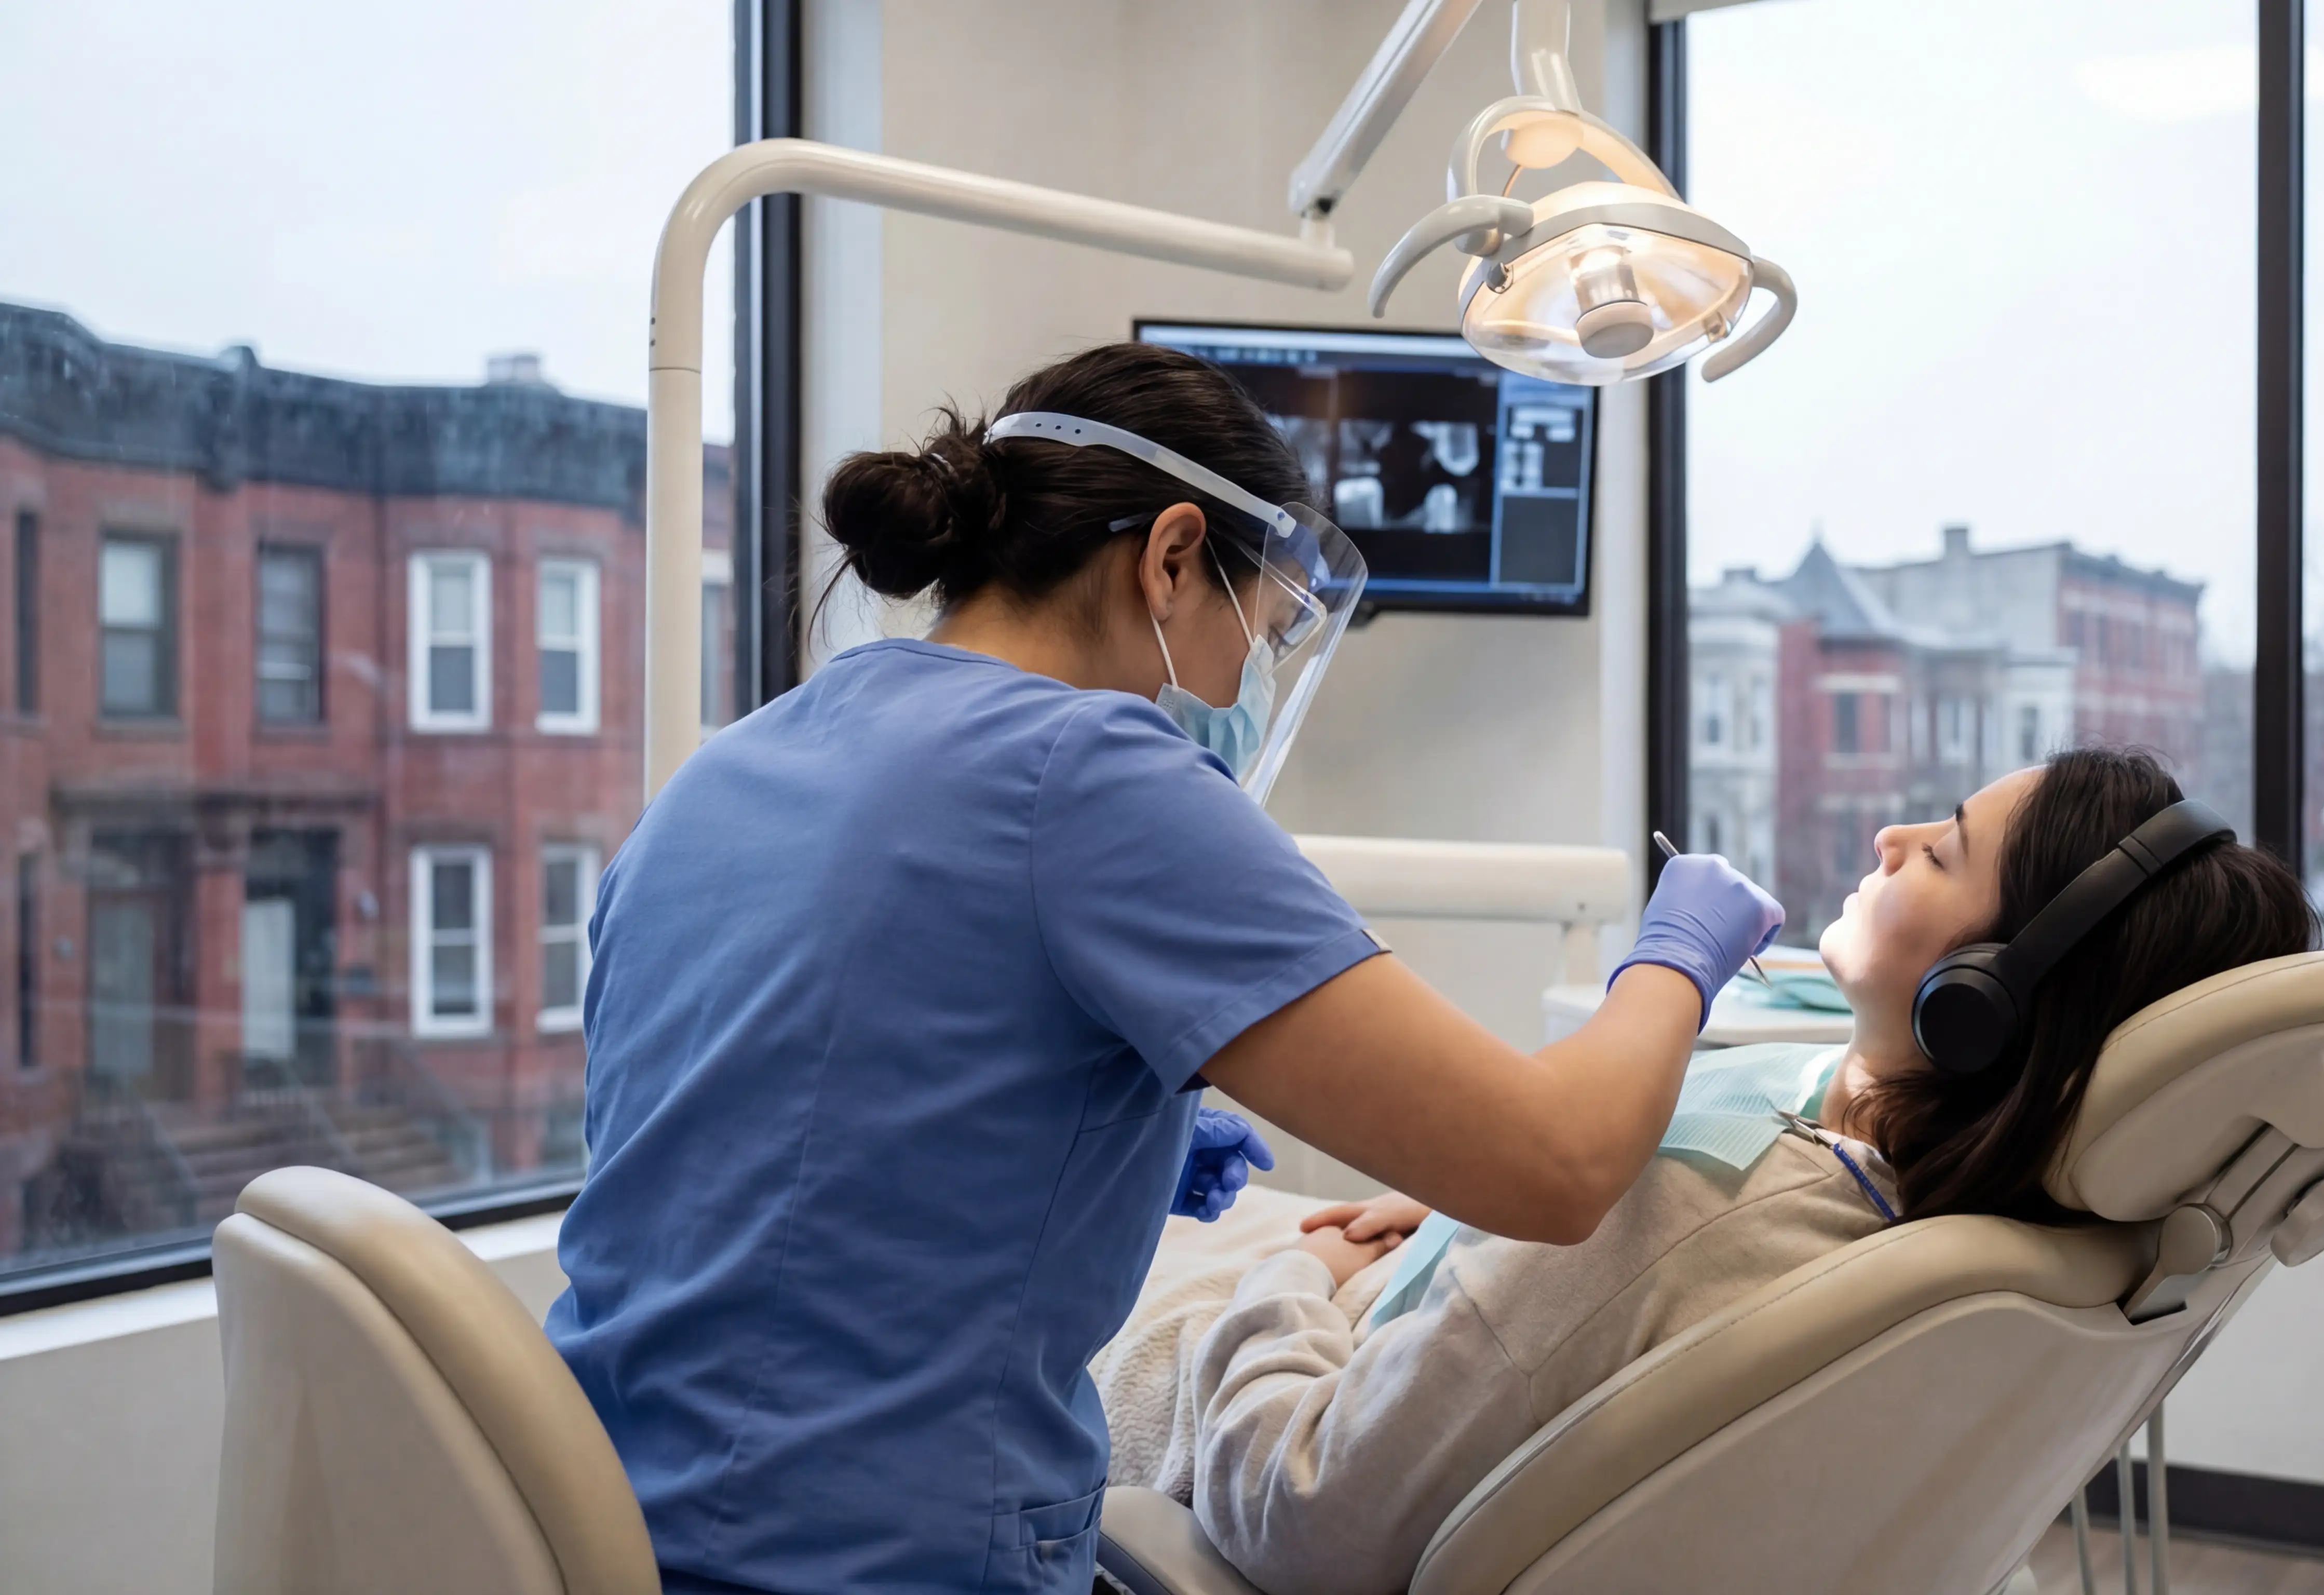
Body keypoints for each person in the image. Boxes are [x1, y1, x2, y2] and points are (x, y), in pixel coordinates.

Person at [544, 342, 1782, 1595]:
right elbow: (1557, 1162)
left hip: (593, 1537)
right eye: (1263, 632)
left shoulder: (727, 769)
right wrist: (1678, 952)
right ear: (1174, 555)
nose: (1245, 685)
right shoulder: (1092, 774)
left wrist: (1076, 1136)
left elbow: (745, 1135)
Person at [1085, 747, 2318, 1595]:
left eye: (1937, 853)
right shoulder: (1956, 1200)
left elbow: (1302, 1517)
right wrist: (1470, 1216)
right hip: (1402, 1318)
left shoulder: (1670, 1212)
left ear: (1980, 1006)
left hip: (1217, 1385)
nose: (1890, 837)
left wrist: (1286, 1283)